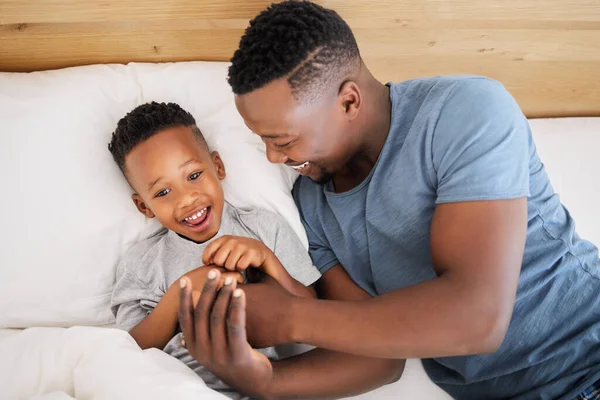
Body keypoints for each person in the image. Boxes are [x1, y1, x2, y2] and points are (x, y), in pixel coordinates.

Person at [178, 1, 600, 400]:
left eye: (283, 140)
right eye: (262, 141)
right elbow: (380, 361)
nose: (273, 157)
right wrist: (262, 379)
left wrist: (288, 317)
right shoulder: (311, 204)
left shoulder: (465, 113)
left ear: (348, 101)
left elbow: (478, 318)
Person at [108, 102, 324, 399]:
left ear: (218, 167)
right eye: (162, 192)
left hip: (253, 383)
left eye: (194, 175)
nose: (187, 199)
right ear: (144, 206)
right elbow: (131, 349)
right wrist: (177, 296)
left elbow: (314, 315)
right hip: (174, 386)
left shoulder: (263, 229)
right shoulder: (141, 264)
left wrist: (267, 260)